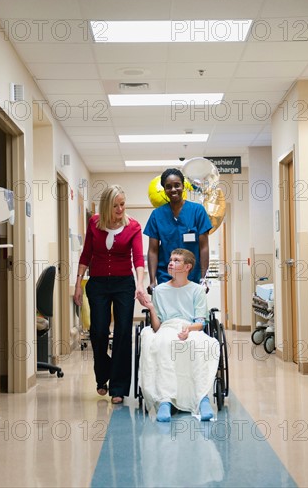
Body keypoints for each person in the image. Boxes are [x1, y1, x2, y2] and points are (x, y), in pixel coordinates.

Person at [74, 184, 147, 402]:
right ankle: (102, 375)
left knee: (124, 332)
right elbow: (86, 254)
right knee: (98, 332)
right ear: (106, 206)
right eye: (115, 205)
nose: (120, 209)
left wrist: (140, 283)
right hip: (97, 284)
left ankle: (118, 387)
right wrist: (78, 283)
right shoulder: (94, 223)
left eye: (122, 204)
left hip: (124, 284)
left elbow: (139, 258)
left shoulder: (133, 226)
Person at [138, 248, 219, 422]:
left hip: (191, 327)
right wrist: (151, 307)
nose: (171, 263)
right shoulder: (159, 291)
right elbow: (157, 326)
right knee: (164, 343)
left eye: (176, 260)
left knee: (202, 344)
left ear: (188, 266)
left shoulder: (197, 290)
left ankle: (202, 398)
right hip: (167, 328)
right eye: (170, 259)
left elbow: (200, 322)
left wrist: (188, 330)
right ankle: (165, 400)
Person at [144, 168, 212, 293]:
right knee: (167, 312)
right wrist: (152, 280)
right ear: (164, 189)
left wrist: (204, 278)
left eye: (177, 185)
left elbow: (204, 247)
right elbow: (153, 250)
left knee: (192, 312)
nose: (173, 189)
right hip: (166, 276)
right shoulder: (156, 215)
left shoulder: (198, 211)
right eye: (168, 186)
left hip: (193, 276)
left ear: (183, 186)